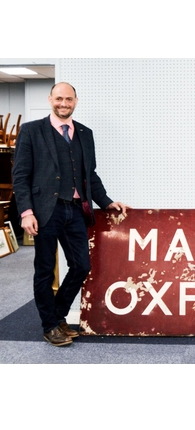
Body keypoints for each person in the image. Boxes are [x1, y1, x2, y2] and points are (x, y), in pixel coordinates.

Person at [12, 82, 129, 347]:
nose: (63, 103)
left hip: (76, 210)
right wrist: (26, 212)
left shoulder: (85, 133)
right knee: (44, 270)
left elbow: (91, 175)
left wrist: (107, 202)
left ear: (76, 101)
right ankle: (50, 325)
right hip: (44, 212)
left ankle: (57, 314)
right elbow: (20, 175)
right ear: (50, 99)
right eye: (59, 98)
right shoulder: (31, 131)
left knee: (81, 266)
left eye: (68, 99)